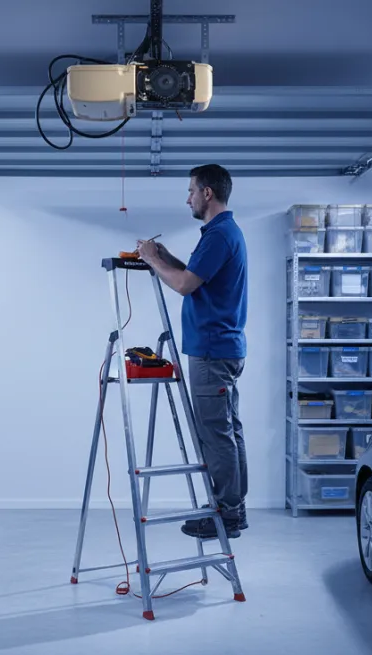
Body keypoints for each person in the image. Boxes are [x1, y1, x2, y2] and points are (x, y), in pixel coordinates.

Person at [136, 164, 248, 540]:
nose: (187, 198)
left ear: (207, 194)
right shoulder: (222, 232)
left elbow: (184, 286)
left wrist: (152, 260)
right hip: (222, 347)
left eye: (190, 191)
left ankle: (227, 514)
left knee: (216, 434)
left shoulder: (219, 235)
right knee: (228, 431)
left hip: (213, 351)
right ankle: (232, 508)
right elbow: (196, 277)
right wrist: (165, 257)